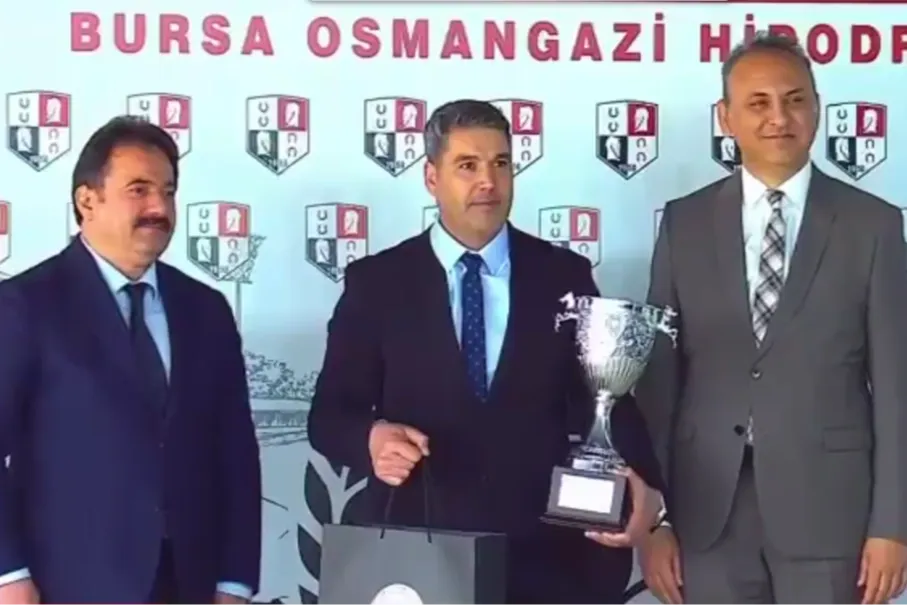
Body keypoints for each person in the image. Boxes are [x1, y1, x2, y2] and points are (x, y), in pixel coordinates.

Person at [308, 99, 665, 605]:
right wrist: (370, 439)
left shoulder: (562, 274)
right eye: (467, 165)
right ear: (431, 177)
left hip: (549, 563)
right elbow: (329, 416)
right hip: (421, 560)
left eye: (501, 163)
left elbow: (607, 401)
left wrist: (650, 495)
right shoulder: (377, 283)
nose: (488, 182)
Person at [636, 32, 907, 605]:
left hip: (831, 515)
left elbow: (895, 387)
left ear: (817, 108)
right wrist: (655, 521)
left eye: (795, 99)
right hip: (705, 515)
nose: (779, 117)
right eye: (758, 103)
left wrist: (893, 525)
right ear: (726, 117)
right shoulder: (684, 224)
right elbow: (660, 384)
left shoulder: (874, 226)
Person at [0, 116, 262, 604]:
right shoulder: (25, 305)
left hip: (189, 583)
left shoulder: (205, 310)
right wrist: (8, 574)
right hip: (66, 585)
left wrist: (234, 580)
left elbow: (236, 454)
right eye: (138, 190)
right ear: (87, 201)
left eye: (168, 191)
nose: (159, 208)